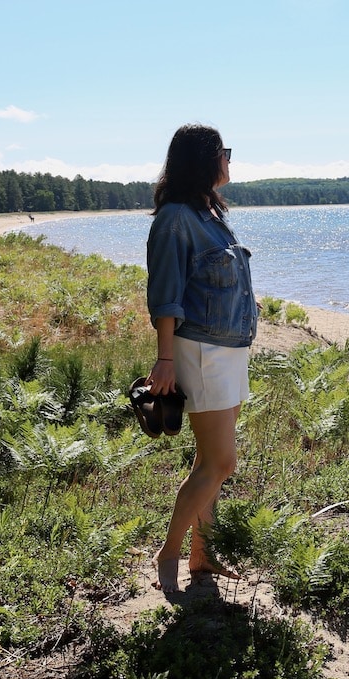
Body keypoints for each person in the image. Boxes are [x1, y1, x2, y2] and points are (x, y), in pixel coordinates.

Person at [145, 124, 258, 592]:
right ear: (203, 159)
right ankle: (168, 553)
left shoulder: (209, 214)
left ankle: (203, 555)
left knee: (209, 459)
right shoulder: (175, 218)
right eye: (224, 152)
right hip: (202, 351)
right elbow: (165, 295)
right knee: (221, 462)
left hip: (228, 350)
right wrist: (165, 360)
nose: (229, 160)